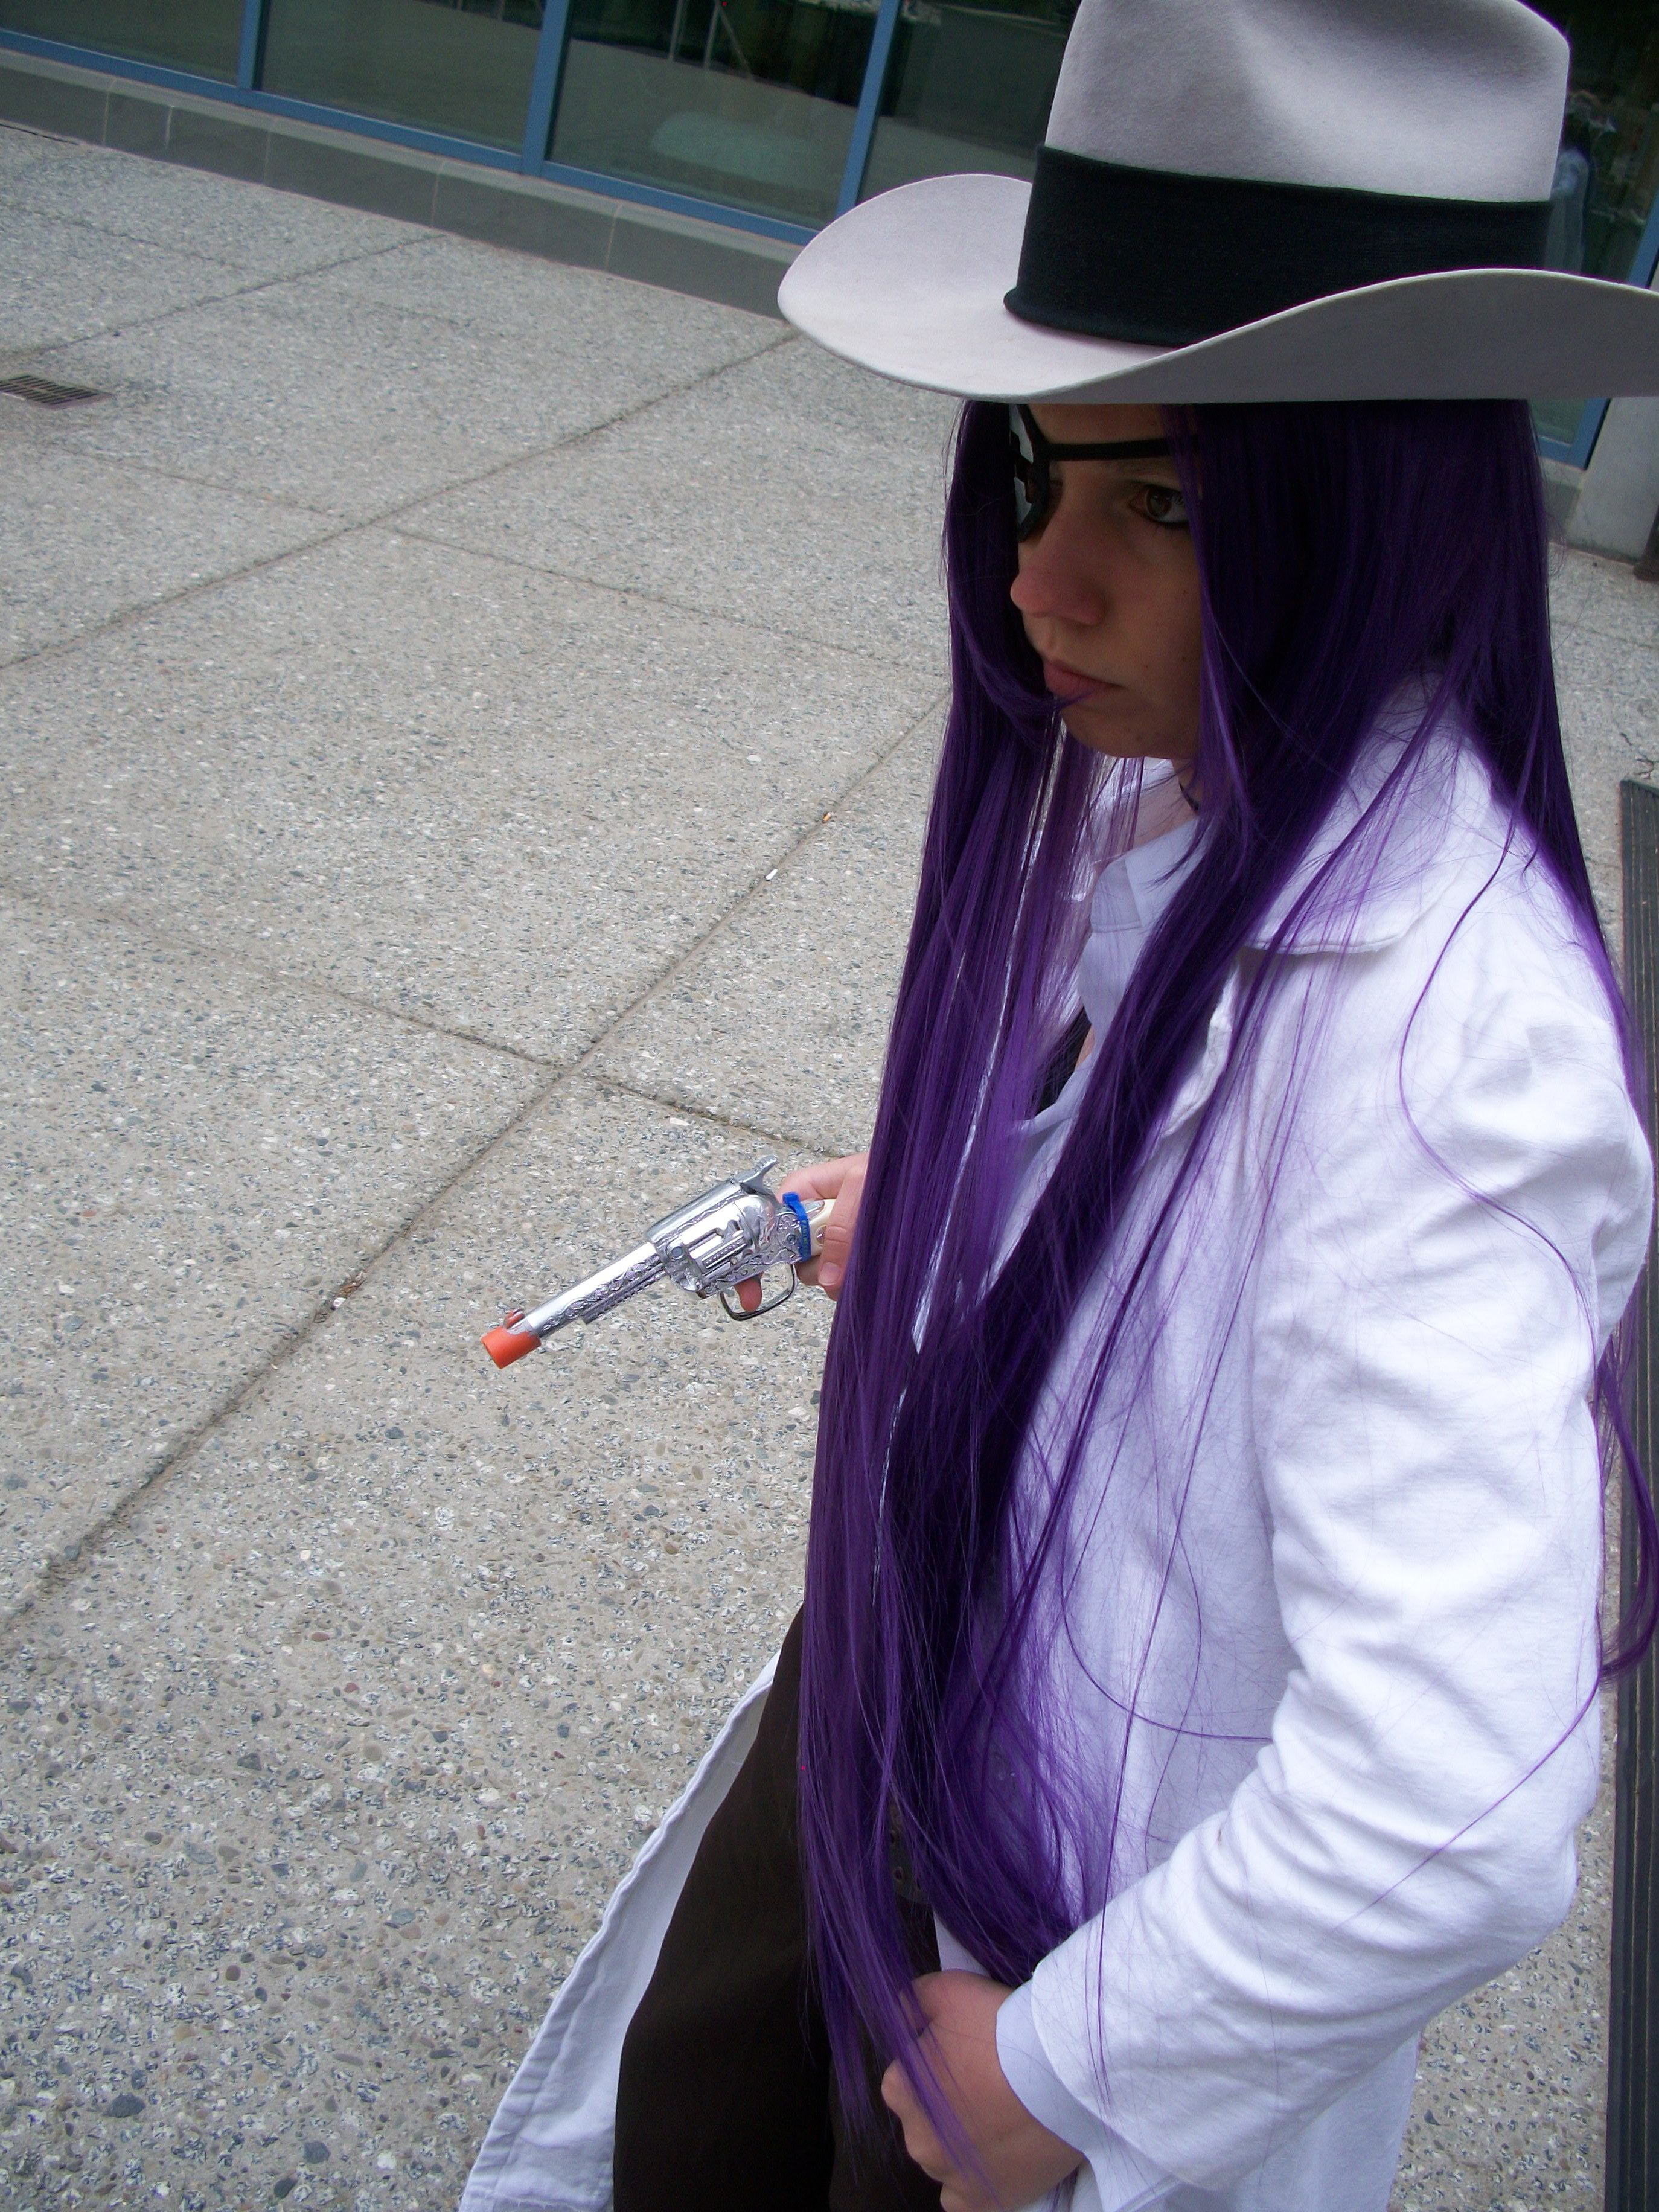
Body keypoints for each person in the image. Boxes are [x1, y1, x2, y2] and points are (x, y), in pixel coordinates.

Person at [460, 3, 1659, 2209]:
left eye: (1164, 503)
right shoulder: (1188, 805)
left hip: (1057, 1937)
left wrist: (1066, 2068)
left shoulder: (1452, 1044)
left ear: (1383, 513)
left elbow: (1450, 1812)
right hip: (895, 1731)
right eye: (1039, 476)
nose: (1038, 581)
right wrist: (946, 1203)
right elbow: (1175, 1220)